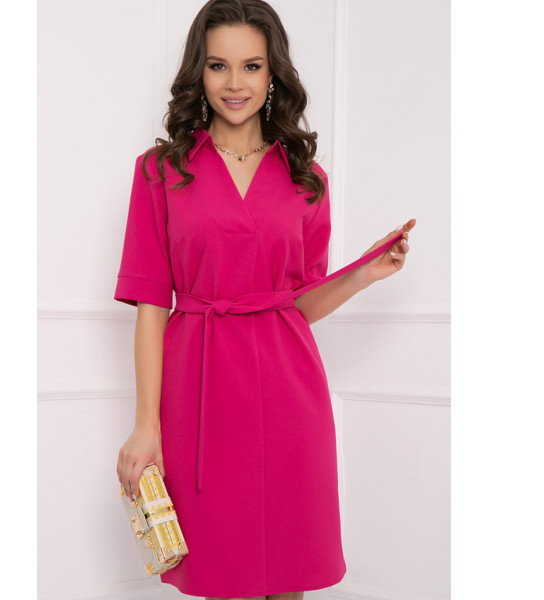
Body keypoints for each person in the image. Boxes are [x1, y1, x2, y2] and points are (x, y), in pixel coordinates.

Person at [114, 1, 416, 598]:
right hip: (200, 394)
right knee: (223, 571)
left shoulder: (307, 179)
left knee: (290, 569)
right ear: (199, 71)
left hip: (289, 392)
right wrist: (146, 425)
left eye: (251, 66)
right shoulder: (160, 172)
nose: (235, 83)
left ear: (273, 72)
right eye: (218, 65)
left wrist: (363, 274)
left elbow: (298, 304)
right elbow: (151, 308)